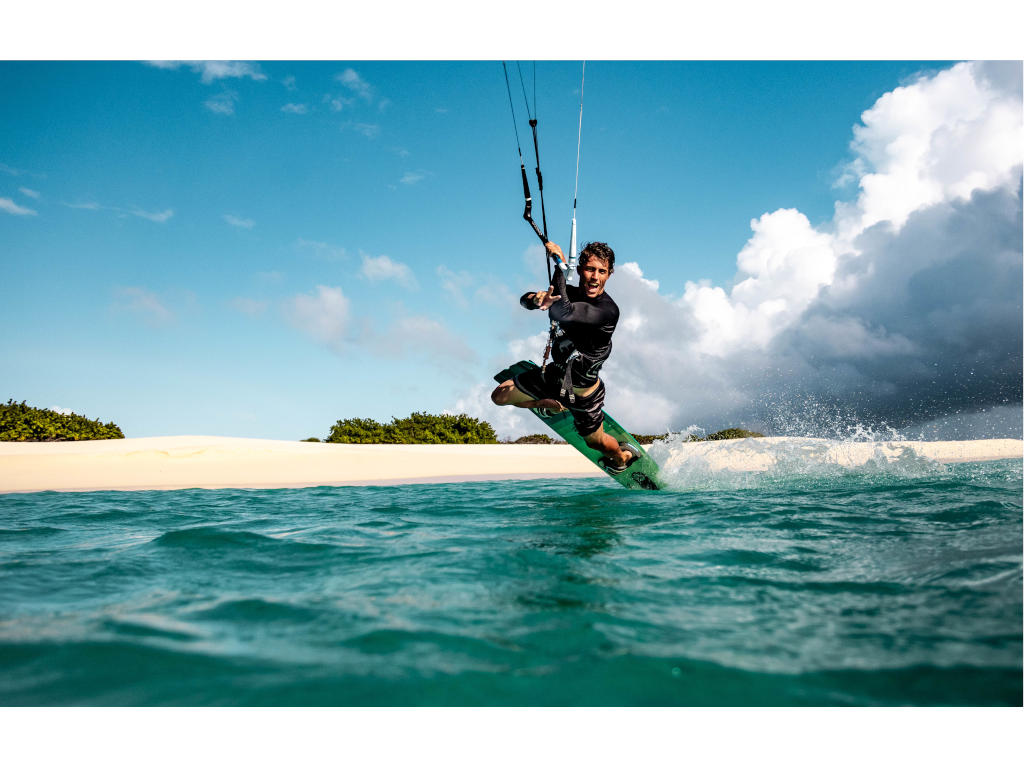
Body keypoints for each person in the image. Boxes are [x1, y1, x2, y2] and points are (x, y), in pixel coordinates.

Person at [491, 240, 639, 473]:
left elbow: (566, 312)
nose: (595, 277)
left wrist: (559, 266)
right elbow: (525, 300)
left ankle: (624, 456)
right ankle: (544, 404)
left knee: (596, 443)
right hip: (554, 376)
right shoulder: (565, 293)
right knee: (499, 396)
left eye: (602, 271)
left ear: (609, 274)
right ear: (579, 270)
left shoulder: (608, 310)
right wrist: (536, 299)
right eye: (590, 269)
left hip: (583, 394)